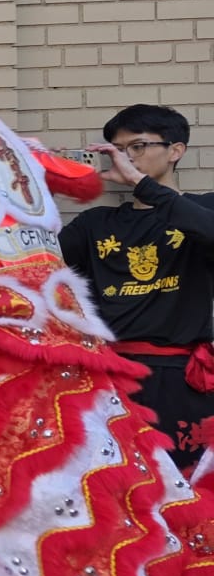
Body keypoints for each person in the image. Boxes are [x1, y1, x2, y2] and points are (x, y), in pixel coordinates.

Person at [59, 104, 214, 467]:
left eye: (138, 146)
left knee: (181, 484)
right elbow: (40, 261)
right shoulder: (95, 223)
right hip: (110, 374)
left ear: (176, 151)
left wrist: (143, 185)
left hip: (179, 378)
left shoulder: (202, 209)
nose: (126, 157)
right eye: (118, 148)